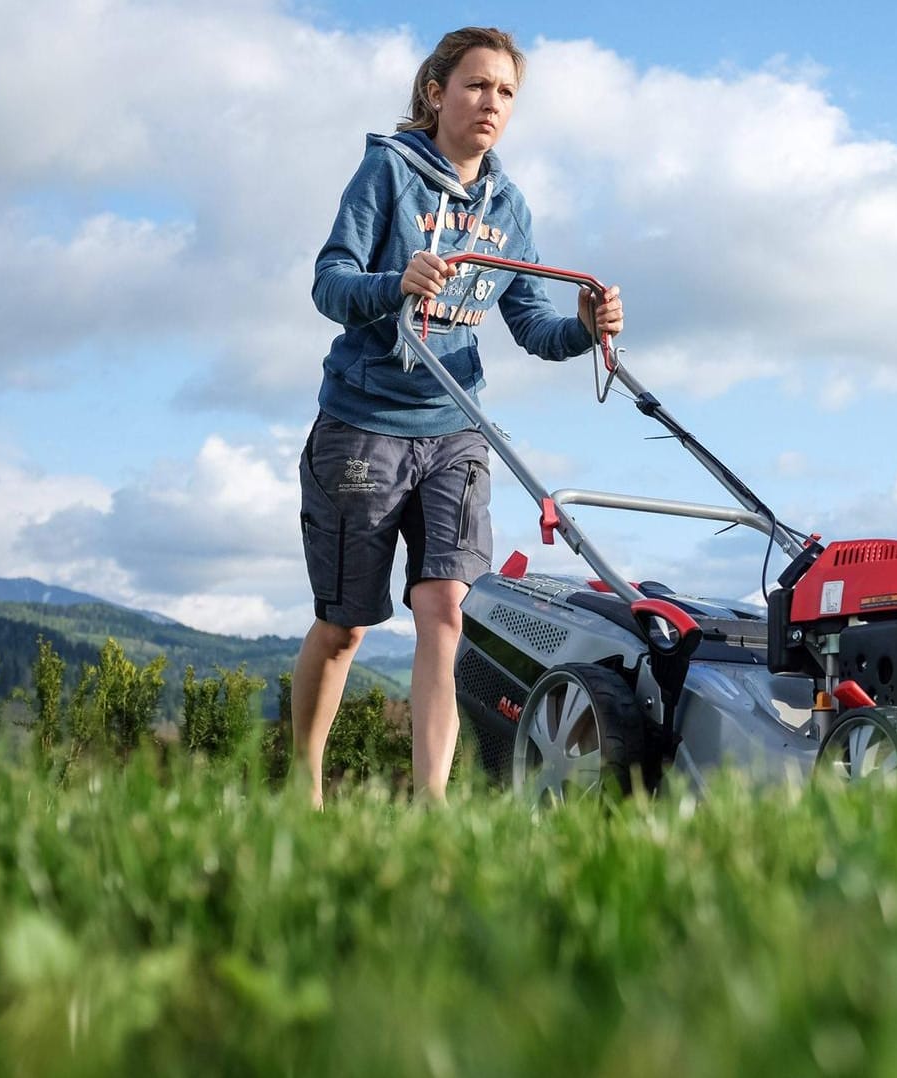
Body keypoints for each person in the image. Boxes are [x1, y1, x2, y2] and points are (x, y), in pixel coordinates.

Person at [292, 26, 623, 806]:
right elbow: (328, 283)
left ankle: (432, 805)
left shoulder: (509, 208)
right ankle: (303, 793)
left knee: (446, 605)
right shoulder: (386, 173)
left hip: (456, 427)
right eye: (476, 86)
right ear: (437, 94)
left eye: (506, 92)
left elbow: (536, 330)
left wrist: (586, 327)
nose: (491, 103)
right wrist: (392, 282)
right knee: (345, 628)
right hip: (363, 425)